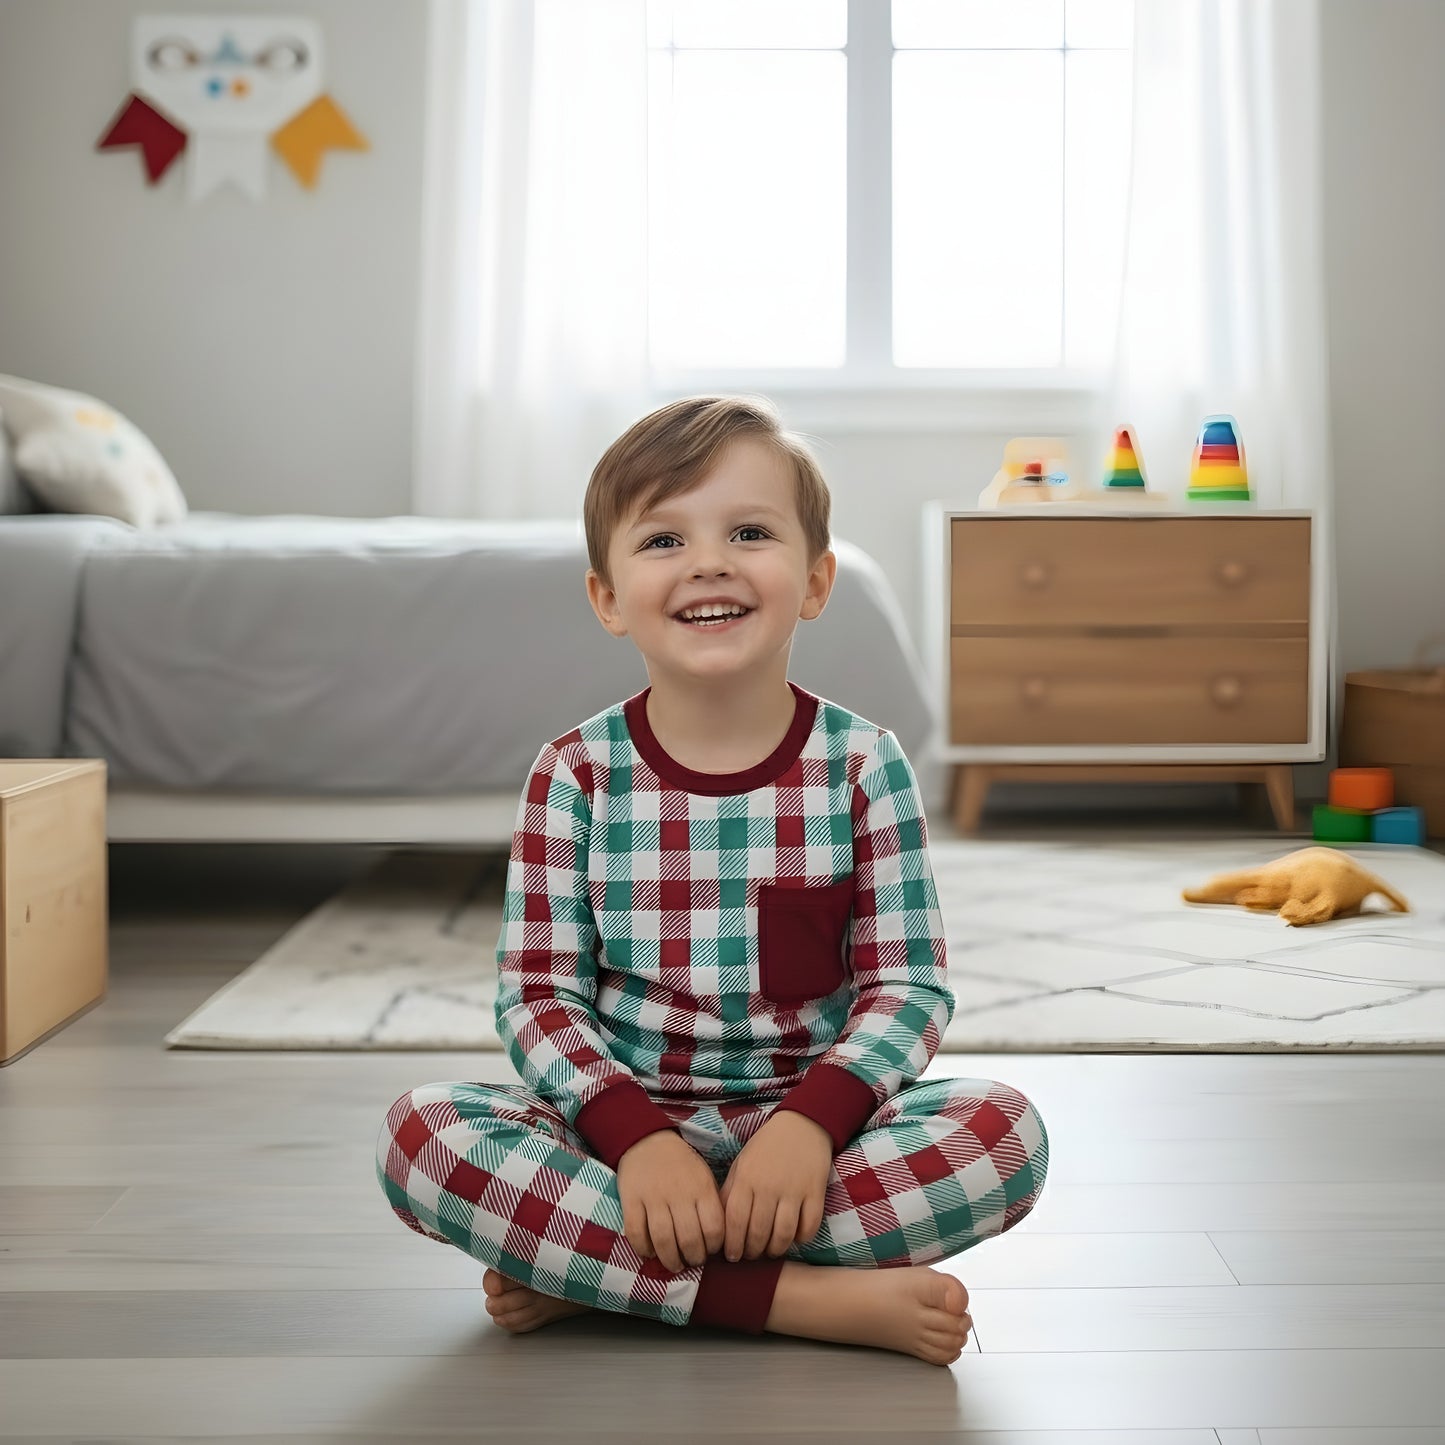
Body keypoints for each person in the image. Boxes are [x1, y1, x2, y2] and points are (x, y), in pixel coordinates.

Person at [376, 395, 1049, 1367]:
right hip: (619, 1141)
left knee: (1001, 1131)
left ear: (815, 581)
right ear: (606, 596)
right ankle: (794, 1298)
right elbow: (537, 995)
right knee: (424, 1133)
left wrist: (809, 1127)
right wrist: (634, 1138)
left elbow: (907, 988)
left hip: (815, 1139)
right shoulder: (574, 772)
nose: (708, 560)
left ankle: (601, 1277)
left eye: (747, 531)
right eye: (661, 537)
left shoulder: (864, 764)